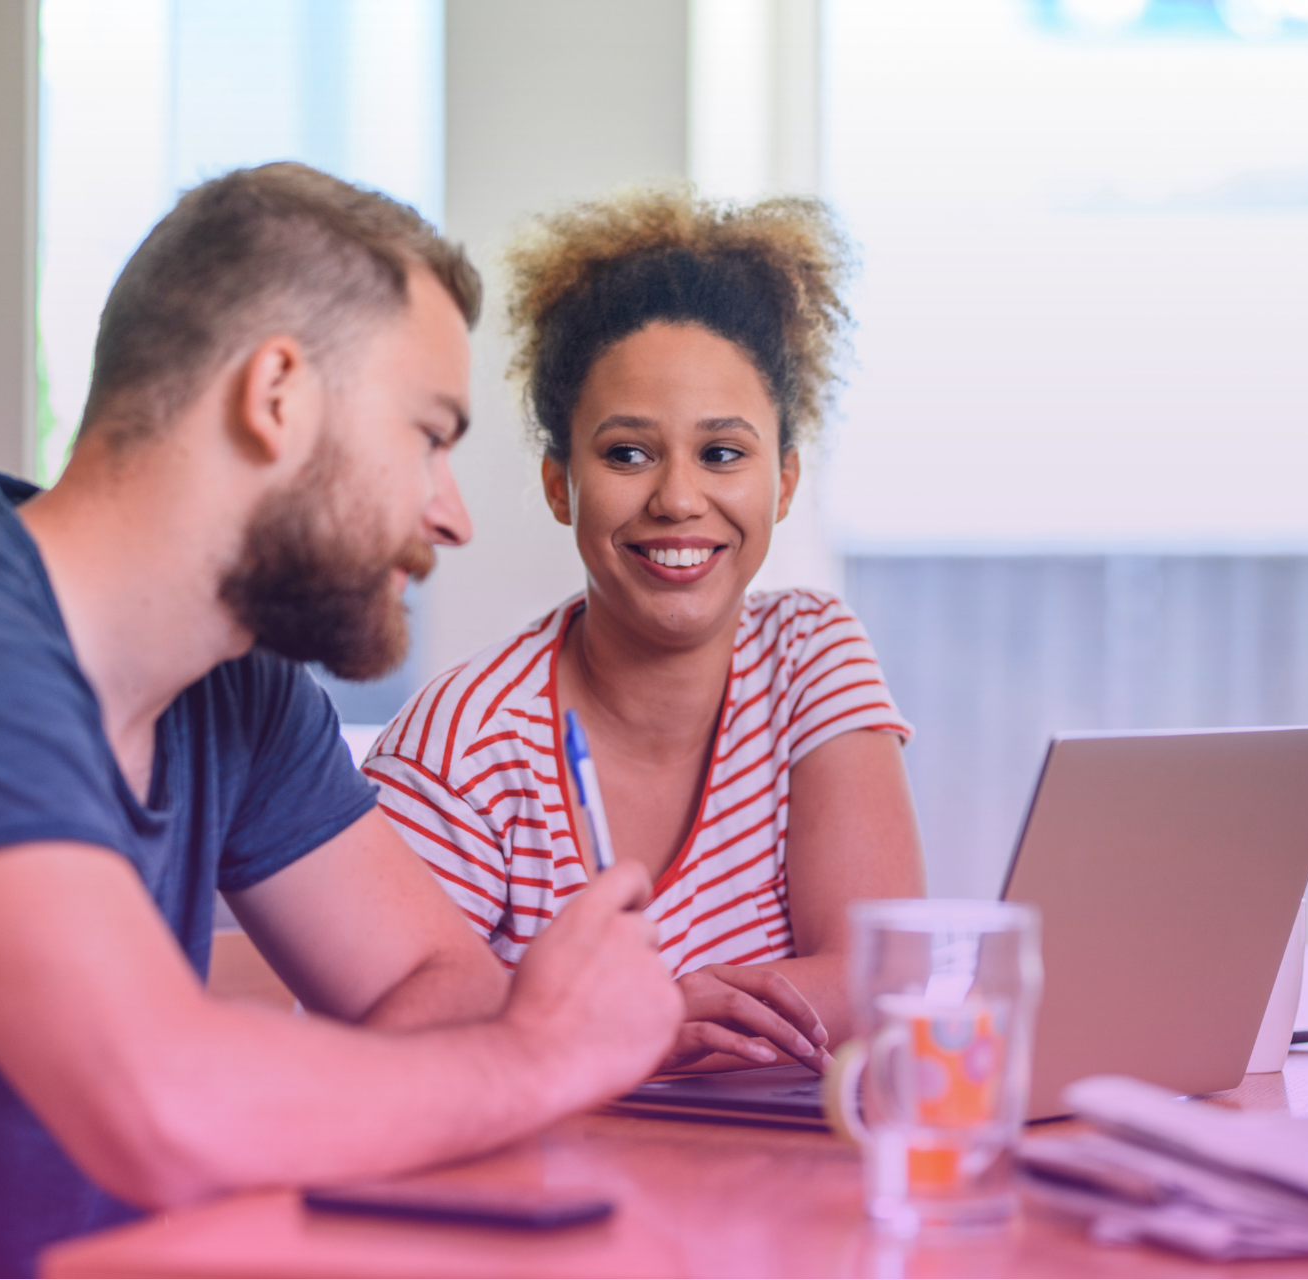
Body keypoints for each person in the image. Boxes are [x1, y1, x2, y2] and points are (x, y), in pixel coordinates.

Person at [0, 164, 682, 1278]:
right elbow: (157, 1102)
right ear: (277, 394)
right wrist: (539, 1056)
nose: (453, 511)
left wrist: (272, 1106)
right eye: (428, 435)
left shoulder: (236, 686)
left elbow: (430, 982)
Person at [363, 188, 924, 1075]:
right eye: (627, 453)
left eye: (723, 454)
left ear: (782, 482)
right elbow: (387, 1036)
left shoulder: (813, 654)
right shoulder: (461, 746)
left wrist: (600, 1023)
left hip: (777, 1190)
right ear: (560, 486)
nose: (677, 498)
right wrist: (654, 1023)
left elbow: (884, 977)